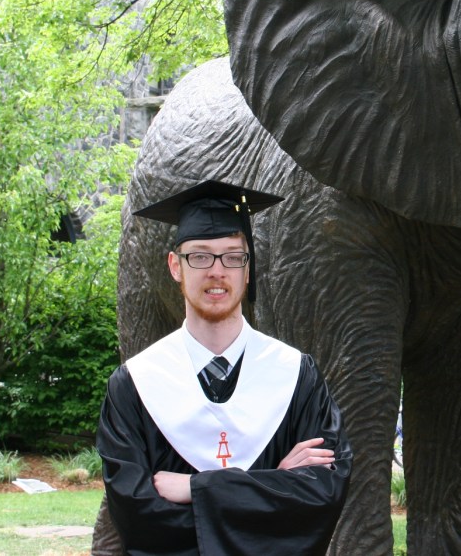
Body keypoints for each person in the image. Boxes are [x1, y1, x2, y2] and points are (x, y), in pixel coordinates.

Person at [96, 180, 352, 555]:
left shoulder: (297, 377)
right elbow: (138, 517)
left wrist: (195, 489)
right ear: (175, 266)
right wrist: (273, 484)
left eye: (233, 257)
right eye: (200, 256)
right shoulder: (135, 385)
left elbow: (322, 494)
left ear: (248, 270)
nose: (217, 271)